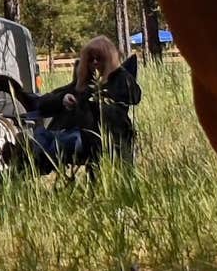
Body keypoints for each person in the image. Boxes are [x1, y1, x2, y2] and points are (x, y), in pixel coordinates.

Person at [27, 36, 140, 172]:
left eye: (99, 58)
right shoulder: (82, 83)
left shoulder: (120, 80)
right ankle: (26, 155)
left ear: (109, 59)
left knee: (59, 143)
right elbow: (45, 102)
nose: (95, 62)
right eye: (90, 59)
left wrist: (85, 104)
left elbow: (134, 97)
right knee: (43, 135)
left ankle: (29, 158)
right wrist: (63, 99)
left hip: (96, 137)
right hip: (73, 132)